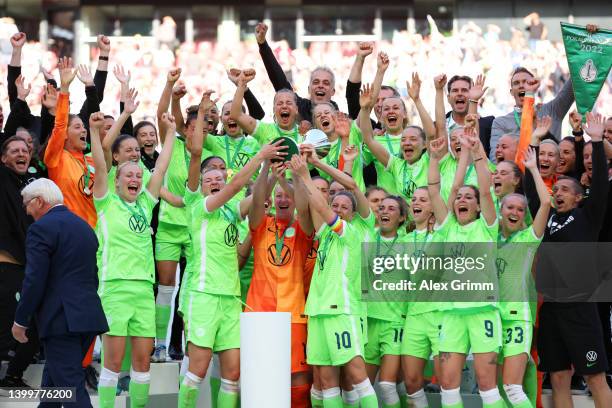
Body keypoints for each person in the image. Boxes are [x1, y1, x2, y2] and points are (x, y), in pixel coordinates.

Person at [177, 90, 285, 407]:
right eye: (210, 177)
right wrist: (261, 156)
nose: (215, 180)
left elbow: (257, 197)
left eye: (219, 177)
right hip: (204, 294)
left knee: (233, 374)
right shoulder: (200, 206)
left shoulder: (229, 209)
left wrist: (271, 172)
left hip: (230, 296)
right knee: (197, 369)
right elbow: (239, 186)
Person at [529, 112, 612, 408]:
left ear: (579, 197)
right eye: (556, 189)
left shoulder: (588, 216)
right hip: (551, 309)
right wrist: (535, 143)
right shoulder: (548, 217)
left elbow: (601, 184)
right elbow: (531, 190)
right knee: (560, 377)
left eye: (565, 189)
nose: (558, 193)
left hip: (580, 308)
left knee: (595, 378)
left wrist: (598, 141)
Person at [291, 154, 379, 408]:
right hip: (317, 311)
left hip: (341, 309)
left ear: (352, 215)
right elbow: (311, 205)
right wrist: (304, 170)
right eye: (335, 204)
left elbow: (323, 206)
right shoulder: (326, 235)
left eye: (343, 207)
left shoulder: (351, 233)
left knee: (357, 375)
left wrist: (307, 173)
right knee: (325, 380)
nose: (337, 209)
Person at [13, 178, 108, 408]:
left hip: (61, 321)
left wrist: (20, 320)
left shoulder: (41, 229)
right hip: (87, 318)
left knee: (71, 390)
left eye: (27, 204)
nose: (26, 210)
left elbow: (34, 279)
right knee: (54, 390)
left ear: (38, 202)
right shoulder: (84, 227)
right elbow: (92, 276)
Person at [428, 126, 504, 408]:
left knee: (487, 386)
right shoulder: (446, 228)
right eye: (459, 197)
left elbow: (485, 188)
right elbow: (435, 191)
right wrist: (434, 160)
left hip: (482, 310)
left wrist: (476, 152)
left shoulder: (487, 227)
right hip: (450, 314)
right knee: (448, 386)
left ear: (478, 206)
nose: (461, 200)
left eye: (468, 198)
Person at [247, 159, 314, 407]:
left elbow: (306, 210)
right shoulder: (262, 225)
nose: (283, 200)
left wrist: (295, 176)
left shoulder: (302, 228)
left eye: (288, 197)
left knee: (297, 378)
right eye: (278, 196)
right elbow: (256, 202)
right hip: (259, 312)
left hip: (293, 312)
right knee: (261, 377)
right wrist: (268, 171)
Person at [496, 147, 551, 408]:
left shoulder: (528, 240)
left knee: (513, 388)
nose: (515, 211)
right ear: (501, 211)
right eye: (510, 207)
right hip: (490, 318)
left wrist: (532, 169)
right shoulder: (488, 237)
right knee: (495, 391)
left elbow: (547, 203)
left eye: (520, 208)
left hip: (517, 319)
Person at [0, 136, 40, 389]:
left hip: (25, 267)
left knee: (33, 325)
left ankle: (13, 377)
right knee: (11, 325)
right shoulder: (2, 177)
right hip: (7, 267)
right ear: (3, 159)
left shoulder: (28, 187)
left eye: (25, 150)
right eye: (14, 150)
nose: (20, 153)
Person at [255, 22, 338, 123]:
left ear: (333, 91)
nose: (320, 86)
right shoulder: (300, 106)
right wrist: (263, 44)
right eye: (316, 82)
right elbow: (280, 83)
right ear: (309, 89)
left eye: (326, 83)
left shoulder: (338, 117)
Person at [489, 67, 574, 161]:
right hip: (518, 173)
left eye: (526, 82)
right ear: (512, 92)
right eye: (516, 83)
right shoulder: (500, 123)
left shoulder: (552, 110)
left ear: (535, 86)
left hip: (551, 173)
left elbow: (574, 83)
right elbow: (495, 159)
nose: (521, 85)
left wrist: (579, 55)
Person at [231, 69, 301, 145]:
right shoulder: (263, 130)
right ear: (274, 109)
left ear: (296, 109)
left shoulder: (305, 133)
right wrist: (241, 84)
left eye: (289, 103)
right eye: (280, 103)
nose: (284, 106)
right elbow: (236, 115)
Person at [444, 74, 495, 156]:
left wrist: (473, 100)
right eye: (455, 90)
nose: (459, 94)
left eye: (464, 90)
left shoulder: (489, 125)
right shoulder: (438, 126)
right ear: (448, 98)